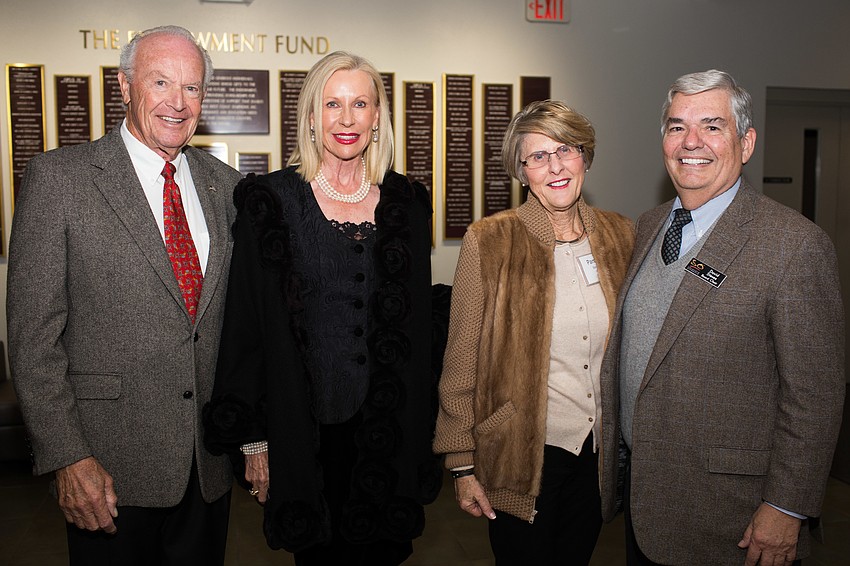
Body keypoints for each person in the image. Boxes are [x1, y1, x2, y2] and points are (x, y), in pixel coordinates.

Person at [6, 25, 242, 566]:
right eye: (161, 82)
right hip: (106, 470)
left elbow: (236, 329)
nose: (178, 103)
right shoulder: (59, 181)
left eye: (192, 88)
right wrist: (69, 458)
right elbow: (33, 340)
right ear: (125, 85)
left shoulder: (227, 189)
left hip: (206, 469)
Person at [203, 51, 442, 566]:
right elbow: (246, 322)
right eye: (332, 104)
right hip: (304, 432)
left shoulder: (407, 203)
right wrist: (254, 439)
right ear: (310, 116)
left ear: (379, 115)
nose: (348, 118)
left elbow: (418, 333)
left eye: (360, 103)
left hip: (387, 433)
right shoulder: (270, 201)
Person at [599, 69, 845, 565]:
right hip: (645, 501)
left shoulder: (794, 245)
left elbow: (815, 396)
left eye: (712, 126)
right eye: (676, 126)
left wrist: (786, 507)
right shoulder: (648, 226)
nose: (691, 142)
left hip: (731, 518)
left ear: (746, 142)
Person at [433, 100, 635, 565]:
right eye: (537, 157)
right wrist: (461, 460)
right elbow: (462, 358)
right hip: (521, 452)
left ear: (586, 155)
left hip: (596, 454)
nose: (555, 166)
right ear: (521, 172)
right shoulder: (490, 240)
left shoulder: (622, 236)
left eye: (566, 149)